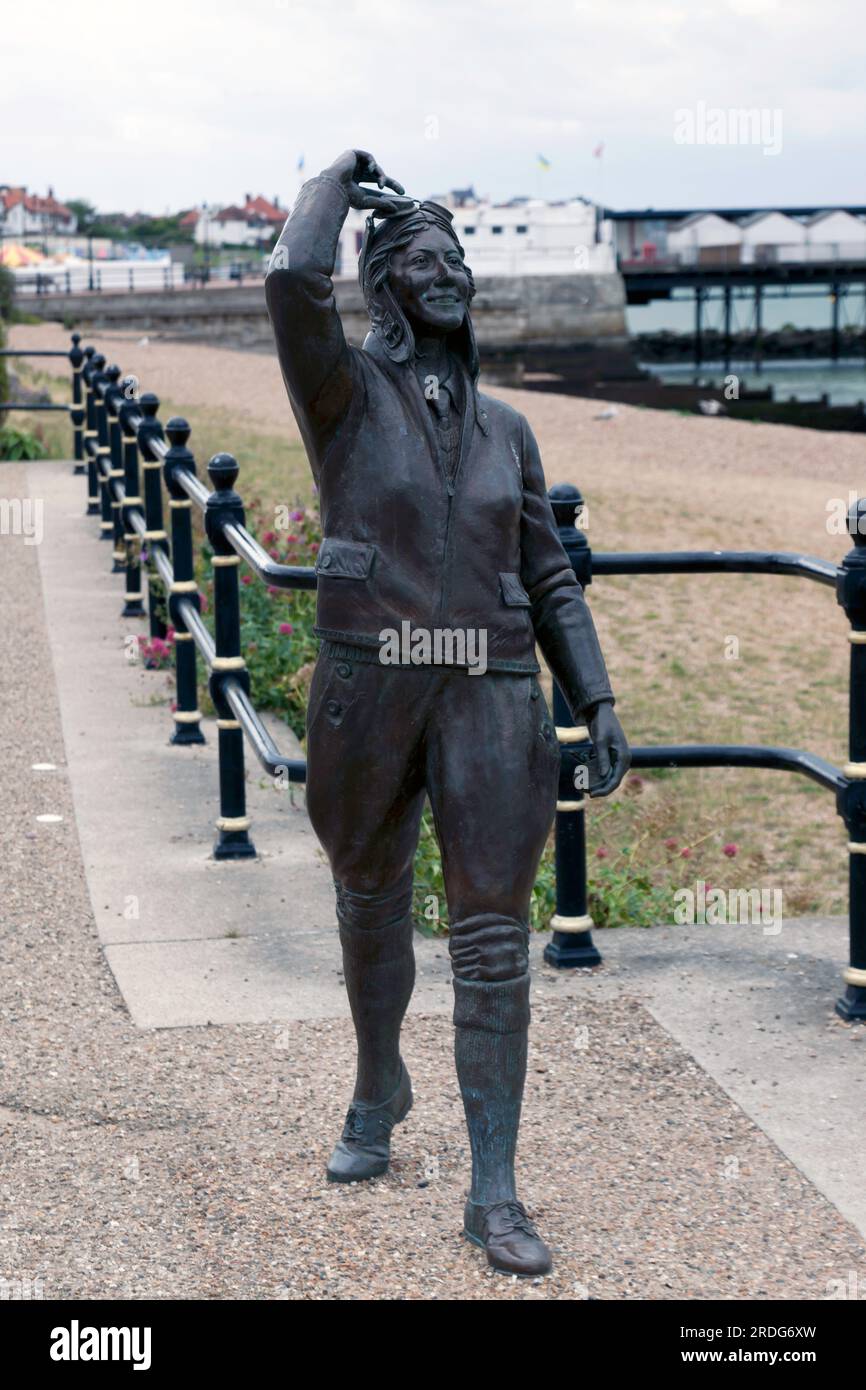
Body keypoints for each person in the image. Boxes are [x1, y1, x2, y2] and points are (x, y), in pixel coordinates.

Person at [266, 149, 630, 1277]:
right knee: (368, 900)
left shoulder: (509, 430)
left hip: (490, 686)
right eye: (422, 261)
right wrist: (331, 181)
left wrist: (594, 692)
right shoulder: (341, 394)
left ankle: (492, 1189)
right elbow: (288, 280)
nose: (448, 276)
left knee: (490, 936)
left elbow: (549, 570)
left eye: (457, 261)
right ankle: (379, 1082)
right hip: (369, 682)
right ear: (382, 289)